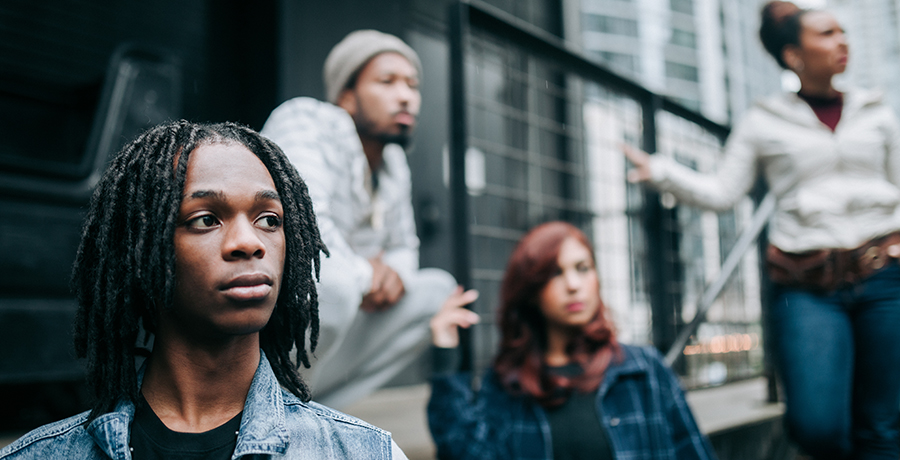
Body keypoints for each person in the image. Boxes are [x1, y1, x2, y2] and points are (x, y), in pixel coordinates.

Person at [0, 121, 407, 459]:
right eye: (206, 219)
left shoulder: (366, 452)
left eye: (269, 218)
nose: (250, 242)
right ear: (142, 250)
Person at [622, 2, 900, 459]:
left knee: (883, 426)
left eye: (843, 32)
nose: (842, 41)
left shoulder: (876, 109)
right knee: (816, 426)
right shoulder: (763, 119)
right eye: (827, 33)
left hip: (883, 278)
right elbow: (722, 190)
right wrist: (661, 172)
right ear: (793, 55)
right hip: (805, 284)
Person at [261, 30, 468, 409]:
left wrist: (394, 276)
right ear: (346, 96)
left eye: (412, 85)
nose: (406, 95)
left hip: (333, 321)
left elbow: (404, 247)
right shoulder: (304, 120)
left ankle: (311, 409)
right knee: (332, 284)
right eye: (387, 82)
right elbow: (307, 229)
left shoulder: (392, 163)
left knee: (438, 292)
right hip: (266, 319)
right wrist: (368, 273)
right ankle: (264, 406)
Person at [427, 221, 715, 460]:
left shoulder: (644, 371)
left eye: (583, 268)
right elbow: (463, 453)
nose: (574, 285)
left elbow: (695, 453)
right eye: (556, 273)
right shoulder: (508, 384)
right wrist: (445, 357)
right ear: (531, 291)